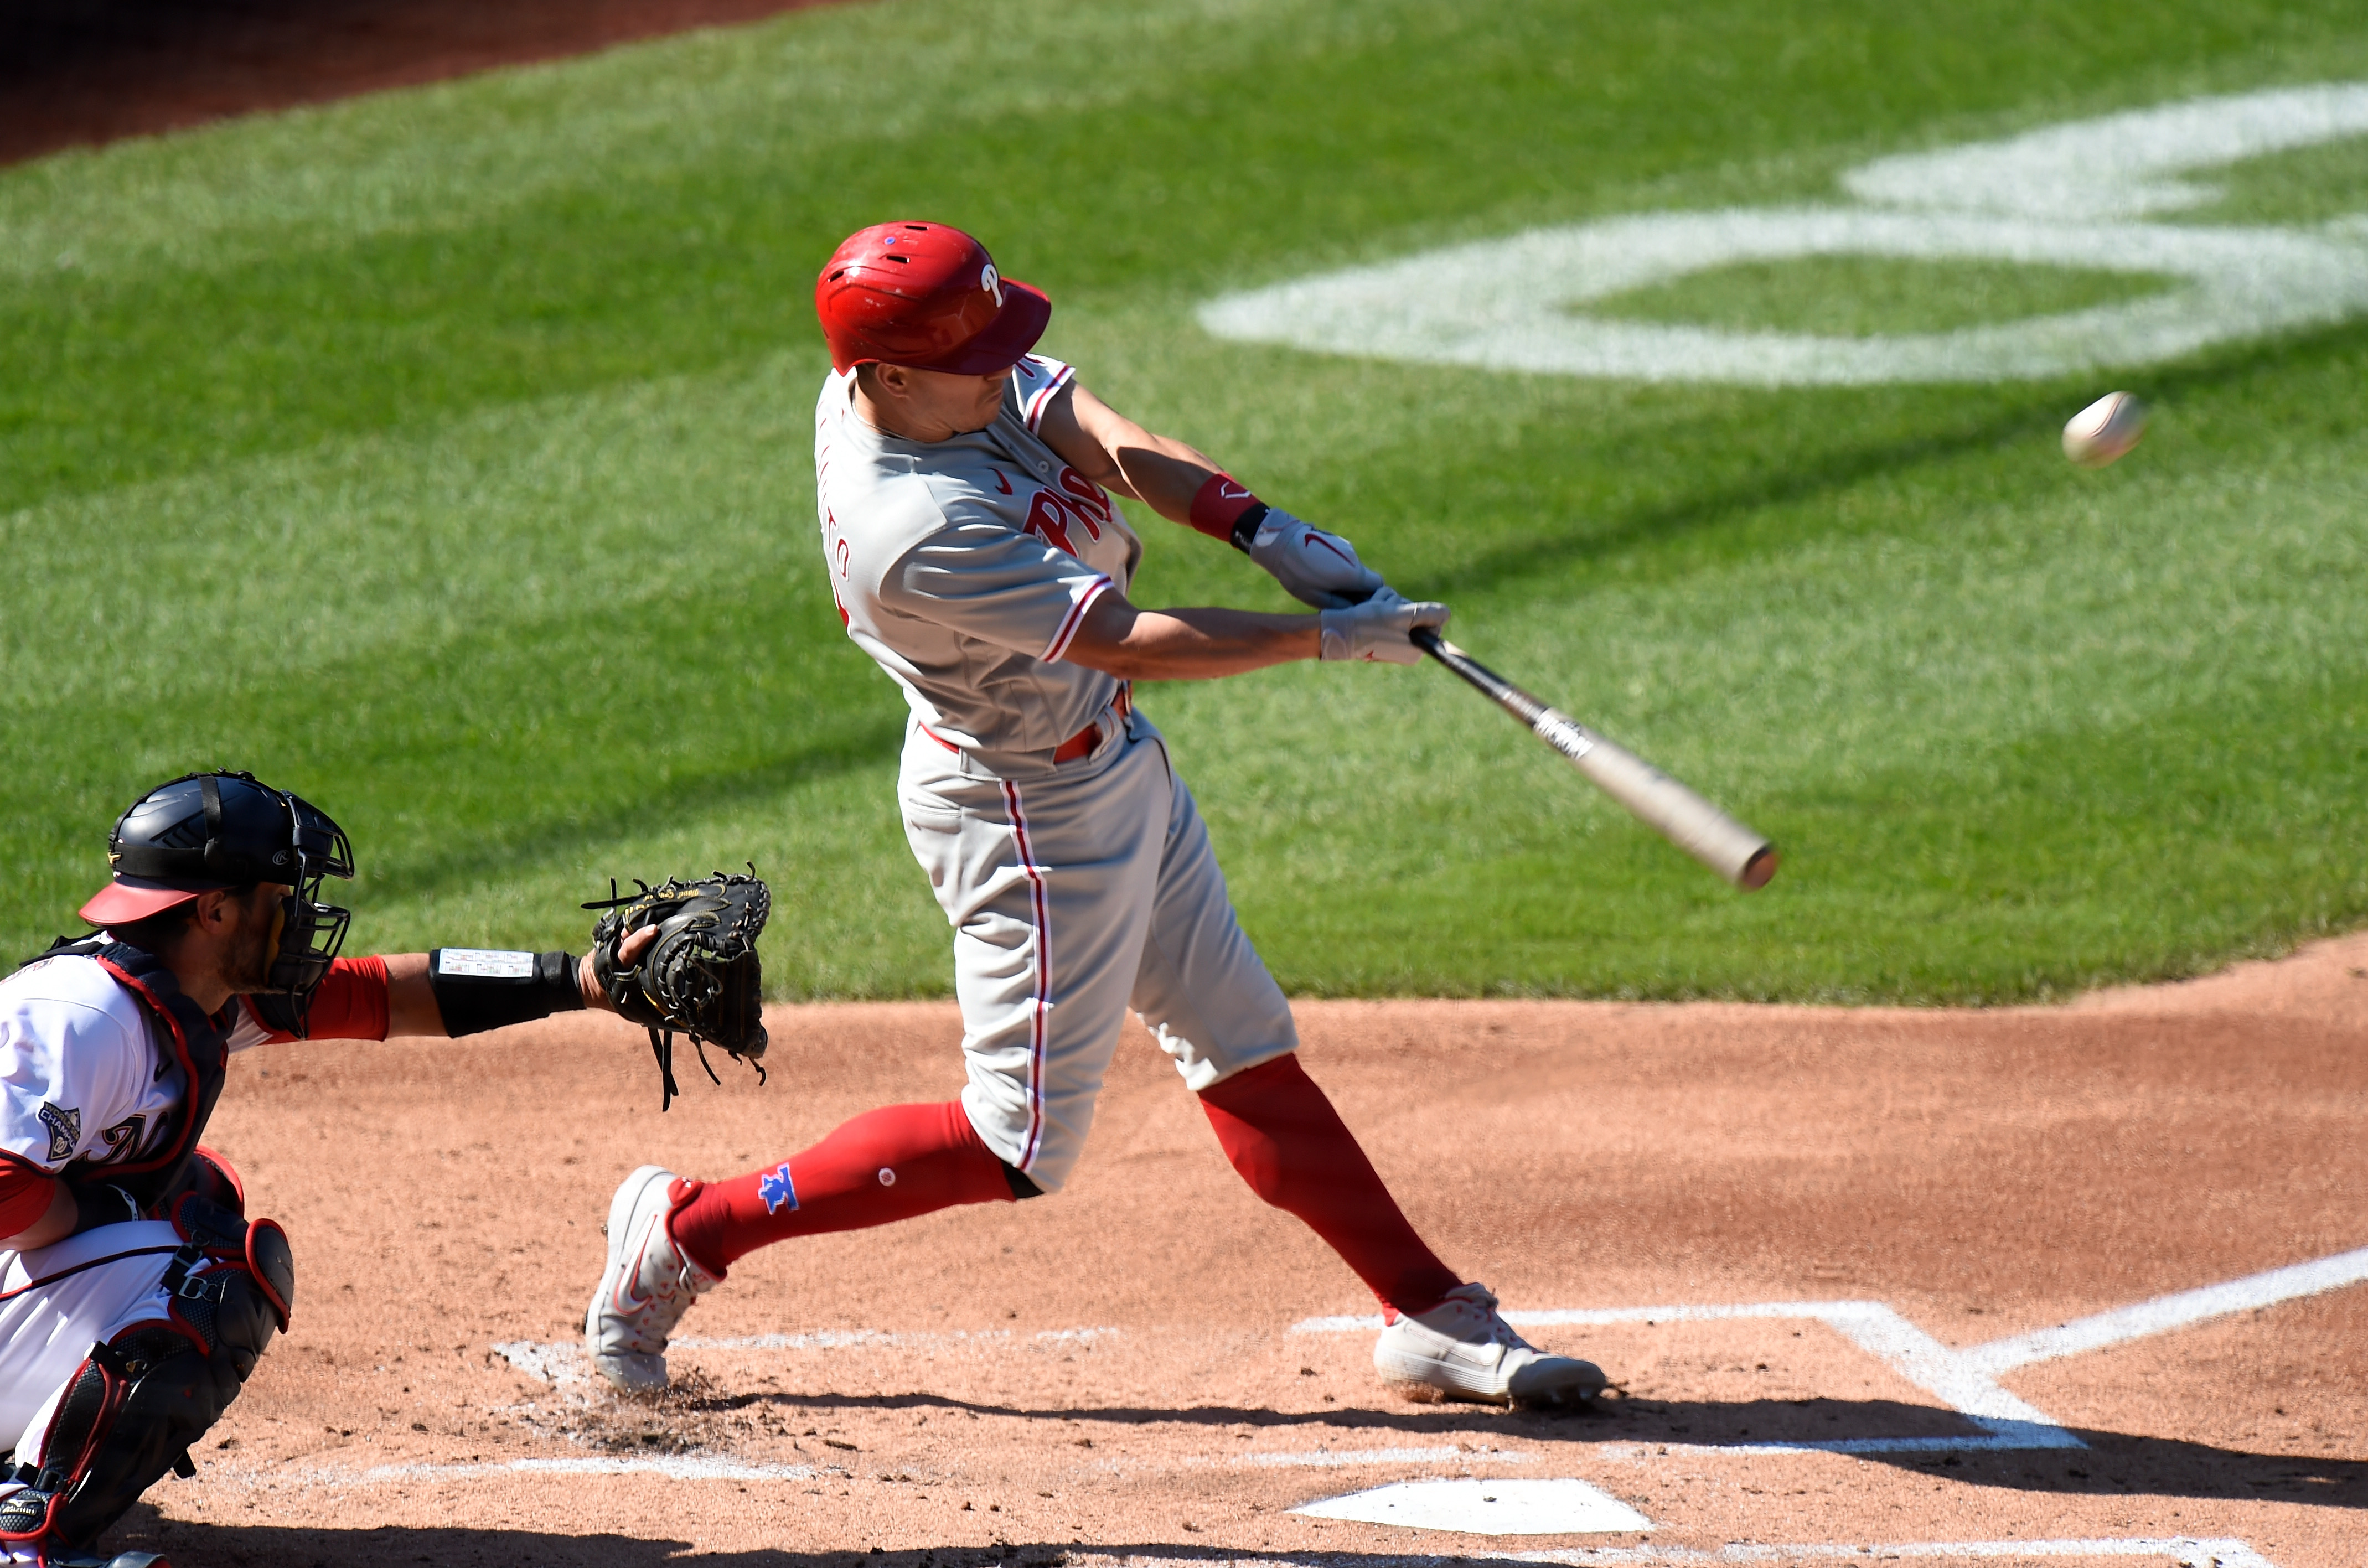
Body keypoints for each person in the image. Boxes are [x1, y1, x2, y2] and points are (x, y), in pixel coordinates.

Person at [583, 221, 1605, 1411]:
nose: (1003, 364)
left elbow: (1103, 436)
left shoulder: (927, 379)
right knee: (1015, 1145)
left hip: (1108, 757)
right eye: (977, 353)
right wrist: (1328, 636)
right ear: (892, 374)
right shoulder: (913, 530)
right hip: (1029, 815)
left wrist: (1258, 528)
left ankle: (1431, 1315)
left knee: (1243, 1044)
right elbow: (1126, 637)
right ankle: (686, 1232)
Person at [1, 771, 654, 1568]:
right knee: (214, 1274)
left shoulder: (190, 995)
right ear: (213, 910)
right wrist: (94, 1217)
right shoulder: (84, 1016)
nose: (301, 915)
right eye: (281, 894)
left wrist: (577, 980)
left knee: (196, 1196)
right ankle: (23, 1534)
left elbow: (389, 994)